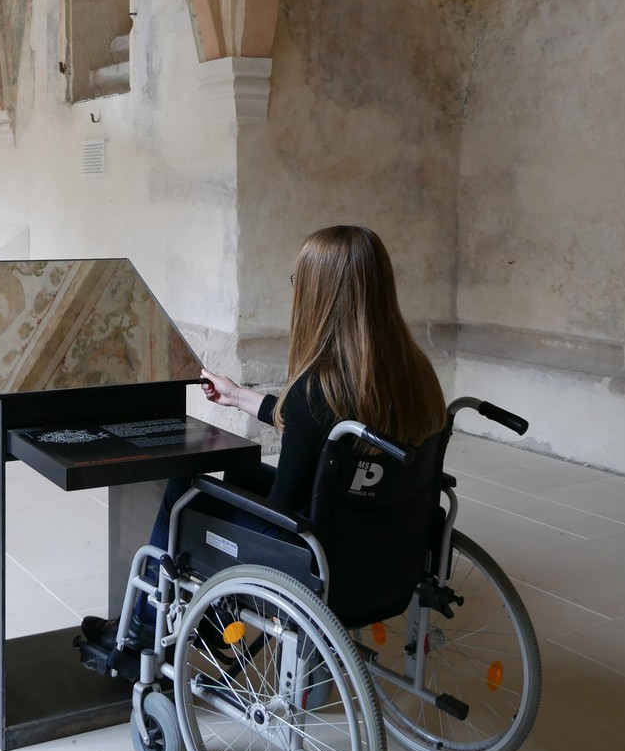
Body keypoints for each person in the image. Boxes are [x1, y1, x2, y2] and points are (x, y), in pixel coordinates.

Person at [81, 224, 447, 651]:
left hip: (317, 555)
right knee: (240, 470)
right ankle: (216, 622)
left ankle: (142, 629)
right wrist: (238, 396)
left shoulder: (318, 388)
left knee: (186, 493)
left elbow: (283, 503)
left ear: (317, 295)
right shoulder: (415, 373)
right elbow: (321, 425)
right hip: (387, 547)